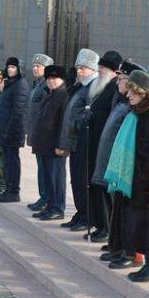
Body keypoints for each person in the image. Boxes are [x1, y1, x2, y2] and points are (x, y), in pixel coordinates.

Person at [103, 69, 149, 281]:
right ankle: (144, 259)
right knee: (138, 223)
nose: (128, 96)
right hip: (135, 178)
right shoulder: (137, 111)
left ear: (142, 91)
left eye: (132, 92)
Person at [96, 61, 139, 263]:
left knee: (126, 210)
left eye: (122, 79)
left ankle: (127, 249)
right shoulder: (120, 101)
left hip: (126, 169)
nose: (118, 82)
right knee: (117, 207)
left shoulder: (133, 107)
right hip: (114, 165)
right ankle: (117, 244)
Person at [58, 49, 99, 231]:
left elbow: (88, 113)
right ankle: (80, 211)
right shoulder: (80, 86)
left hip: (84, 141)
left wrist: (76, 125)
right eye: (77, 68)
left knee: (84, 180)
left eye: (83, 68)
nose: (79, 71)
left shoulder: (95, 87)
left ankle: (87, 215)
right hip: (74, 140)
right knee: (76, 179)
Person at [85, 50, 123, 243]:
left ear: (113, 71)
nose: (99, 69)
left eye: (103, 67)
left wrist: (94, 116)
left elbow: (111, 115)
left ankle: (106, 227)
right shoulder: (100, 85)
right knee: (93, 184)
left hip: (106, 144)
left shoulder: (115, 88)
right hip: (94, 143)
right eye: (99, 66)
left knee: (104, 188)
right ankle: (99, 223)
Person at [29, 64, 69, 221]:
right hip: (43, 145)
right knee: (47, 178)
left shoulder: (64, 95)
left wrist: (61, 145)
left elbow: (63, 123)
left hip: (55, 146)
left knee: (55, 178)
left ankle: (57, 208)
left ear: (62, 79)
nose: (51, 81)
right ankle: (49, 205)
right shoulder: (48, 94)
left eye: (55, 78)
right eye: (49, 78)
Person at [0, 57, 30, 203]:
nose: (10, 69)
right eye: (8, 67)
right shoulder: (10, 84)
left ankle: (14, 191)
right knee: (7, 161)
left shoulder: (21, 84)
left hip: (13, 131)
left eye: (13, 67)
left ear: (19, 69)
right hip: (6, 130)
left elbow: (18, 111)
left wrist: (9, 130)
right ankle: (8, 189)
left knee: (12, 162)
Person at [26, 53, 55, 213]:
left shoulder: (47, 86)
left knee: (46, 169)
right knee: (41, 167)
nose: (35, 68)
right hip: (36, 133)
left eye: (39, 66)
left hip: (44, 135)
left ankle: (47, 198)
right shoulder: (37, 85)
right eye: (34, 65)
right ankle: (43, 196)